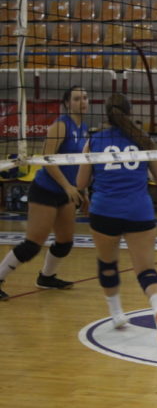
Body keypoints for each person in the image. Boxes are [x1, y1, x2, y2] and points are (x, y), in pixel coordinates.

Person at [76, 93, 157, 345]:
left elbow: (80, 183)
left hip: (105, 210)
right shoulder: (143, 139)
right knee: (146, 269)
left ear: (106, 114)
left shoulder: (95, 140)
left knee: (107, 264)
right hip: (139, 211)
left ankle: (117, 314)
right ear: (129, 112)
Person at [0, 86, 89, 301]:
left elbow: (81, 163)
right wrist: (68, 187)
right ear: (67, 103)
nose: (83, 101)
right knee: (33, 244)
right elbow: (47, 159)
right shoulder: (60, 125)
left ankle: (46, 277)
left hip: (67, 191)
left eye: (85, 98)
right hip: (46, 190)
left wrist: (82, 190)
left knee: (65, 242)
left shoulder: (84, 127)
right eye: (77, 98)